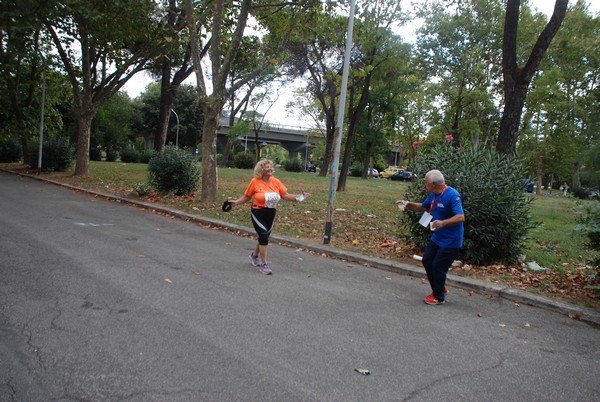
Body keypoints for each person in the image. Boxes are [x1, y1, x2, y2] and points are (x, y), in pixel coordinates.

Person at [228, 159, 311, 275]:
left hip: (271, 213)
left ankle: (254, 256)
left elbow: (285, 195)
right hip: (258, 212)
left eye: (271, 167)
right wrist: (236, 202)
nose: (270, 169)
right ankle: (264, 265)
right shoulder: (255, 182)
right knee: (263, 235)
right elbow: (247, 196)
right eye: (267, 167)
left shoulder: (276, 182)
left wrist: (300, 197)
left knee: (264, 236)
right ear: (261, 169)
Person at [395, 169, 465, 305]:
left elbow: (461, 217)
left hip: (451, 241)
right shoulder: (434, 195)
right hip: (437, 238)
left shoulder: (452, 195)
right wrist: (408, 204)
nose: (424, 184)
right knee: (427, 261)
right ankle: (440, 287)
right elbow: (422, 207)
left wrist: (443, 222)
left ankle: (439, 297)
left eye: (425, 182)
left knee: (438, 267)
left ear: (433, 184)